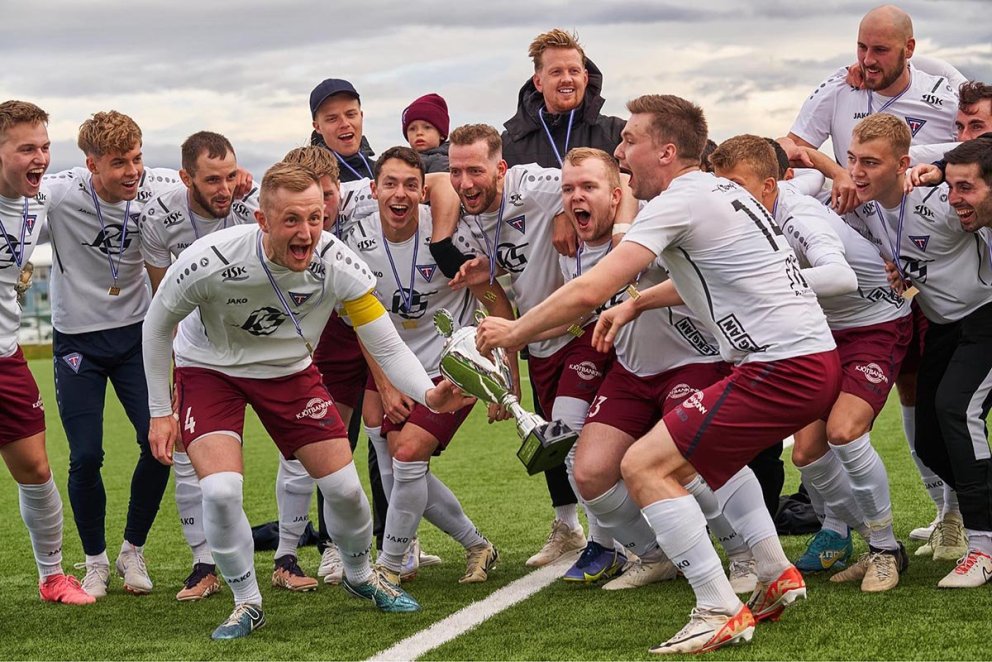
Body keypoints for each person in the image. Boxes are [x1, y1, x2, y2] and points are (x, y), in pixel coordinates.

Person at [476, 95, 841, 654]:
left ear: (666, 152)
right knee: (672, 462)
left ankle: (717, 606)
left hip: (780, 367)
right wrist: (638, 305)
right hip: (804, 361)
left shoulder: (679, 200)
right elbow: (712, 280)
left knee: (643, 466)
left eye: (630, 142)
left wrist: (514, 331)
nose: (621, 153)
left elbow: (593, 286)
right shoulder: (718, 191)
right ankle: (774, 573)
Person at [142, 162, 473, 639]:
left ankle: (361, 576)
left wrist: (427, 392)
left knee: (343, 490)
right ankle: (246, 602)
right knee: (219, 491)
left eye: (315, 218)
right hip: (210, 369)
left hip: (290, 372)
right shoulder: (207, 259)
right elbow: (156, 328)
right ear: (262, 220)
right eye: (292, 220)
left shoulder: (337, 263)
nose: (307, 232)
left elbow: (383, 343)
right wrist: (159, 412)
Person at [780, 4, 961, 543]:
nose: (866, 60)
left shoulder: (940, 93)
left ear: (909, 48)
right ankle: (932, 514)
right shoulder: (839, 87)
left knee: (940, 396)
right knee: (910, 388)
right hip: (874, 267)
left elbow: (979, 143)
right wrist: (840, 172)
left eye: (880, 50)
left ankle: (957, 516)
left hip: (935, 262)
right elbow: (794, 147)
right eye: (861, 47)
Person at [710, 134, 913, 592]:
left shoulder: (798, 216)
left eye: (736, 186)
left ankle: (884, 549)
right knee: (807, 452)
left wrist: (762, 282)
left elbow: (839, 277)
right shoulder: (763, 203)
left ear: (767, 187)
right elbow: (805, 165)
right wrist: (832, 168)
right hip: (820, 328)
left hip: (875, 322)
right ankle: (845, 535)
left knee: (843, 432)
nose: (727, 198)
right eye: (721, 187)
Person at [557, 148, 756, 594]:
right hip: (631, 371)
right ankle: (655, 554)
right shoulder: (568, 246)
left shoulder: (654, 219)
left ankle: (742, 555)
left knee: (688, 463)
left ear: (616, 192)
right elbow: (574, 306)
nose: (576, 198)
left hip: (695, 359)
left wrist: (635, 296)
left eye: (587, 187)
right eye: (568, 189)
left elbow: (702, 281)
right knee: (589, 474)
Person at [142, 131, 325, 599]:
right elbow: (168, 306)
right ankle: (203, 563)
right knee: (190, 456)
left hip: (265, 344)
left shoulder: (251, 208)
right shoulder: (160, 219)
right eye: (211, 179)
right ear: (187, 178)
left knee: (298, 447)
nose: (225, 188)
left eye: (230, 176)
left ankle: (287, 556)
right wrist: (175, 380)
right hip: (201, 352)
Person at [348, 146, 511, 600]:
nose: (400, 194)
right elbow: (359, 317)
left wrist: (505, 375)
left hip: (450, 367)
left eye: (410, 185)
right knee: (394, 466)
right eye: (390, 184)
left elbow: (494, 299)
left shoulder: (449, 233)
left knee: (408, 453)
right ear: (373, 188)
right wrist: (382, 380)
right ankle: (477, 545)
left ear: (423, 191)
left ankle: (389, 566)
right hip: (386, 365)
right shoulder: (355, 240)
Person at [448, 123, 614, 568]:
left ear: (500, 168)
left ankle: (609, 541)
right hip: (536, 339)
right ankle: (570, 527)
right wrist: (506, 368)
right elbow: (497, 300)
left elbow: (600, 184)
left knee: (572, 435)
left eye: (476, 171)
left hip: (583, 328)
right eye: (456, 172)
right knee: (550, 442)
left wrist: (563, 209)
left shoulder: (534, 185)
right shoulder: (463, 226)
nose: (465, 183)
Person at [845, 115, 992, 588]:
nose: (857, 172)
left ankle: (985, 547)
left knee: (956, 410)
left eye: (870, 162)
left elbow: (978, 162)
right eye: (852, 160)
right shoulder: (862, 206)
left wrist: (943, 163)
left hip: (986, 318)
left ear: (904, 164)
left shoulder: (943, 198)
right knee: (929, 438)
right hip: (945, 328)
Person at [42, 110, 182, 598]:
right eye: (119, 162)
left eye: (137, 158)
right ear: (91, 164)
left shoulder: (161, 185)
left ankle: (132, 552)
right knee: (85, 456)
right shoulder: (59, 193)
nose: (133, 171)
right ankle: (96, 562)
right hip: (78, 341)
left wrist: (242, 179)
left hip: (136, 338)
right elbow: (13, 196)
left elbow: (211, 189)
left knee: (160, 445)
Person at [0, 99, 93, 606]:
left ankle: (53, 576)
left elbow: (102, 174)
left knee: (35, 468)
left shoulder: (39, 203)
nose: (40, 158)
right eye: (26, 149)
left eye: (44, 147)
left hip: (7, 356)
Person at [310, 78, 376, 182]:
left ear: (361, 116)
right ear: (317, 127)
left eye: (350, 115)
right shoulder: (309, 179)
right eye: (332, 119)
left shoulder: (383, 172)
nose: (345, 124)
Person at [402, 93, 450, 173]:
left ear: (441, 134)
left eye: (427, 127)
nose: (419, 133)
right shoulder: (400, 160)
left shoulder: (444, 162)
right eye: (412, 129)